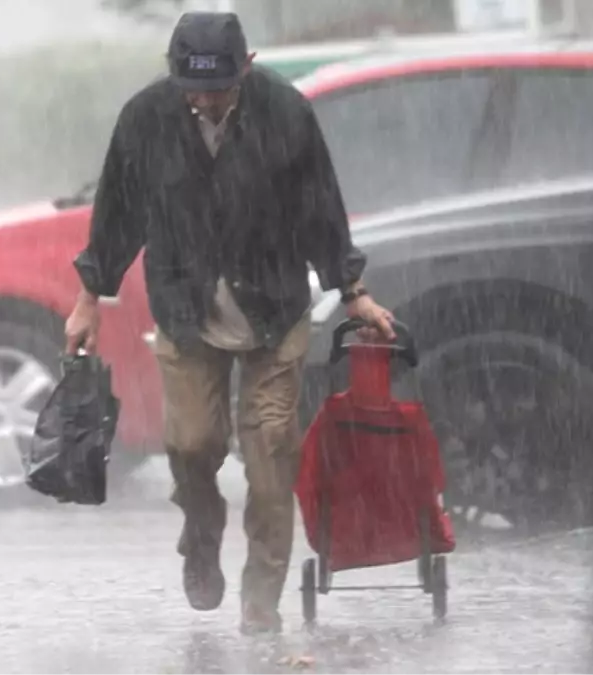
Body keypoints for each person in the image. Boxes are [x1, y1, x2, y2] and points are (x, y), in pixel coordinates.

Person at [64, 11, 396, 634]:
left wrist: (353, 290)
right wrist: (89, 298)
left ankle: (261, 602)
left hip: (273, 308)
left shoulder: (286, 114)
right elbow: (116, 214)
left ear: (246, 68)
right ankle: (202, 532)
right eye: (194, 88)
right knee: (191, 445)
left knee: (271, 452)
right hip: (186, 311)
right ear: (175, 75)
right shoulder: (145, 121)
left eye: (219, 87)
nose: (207, 100)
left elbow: (322, 208)